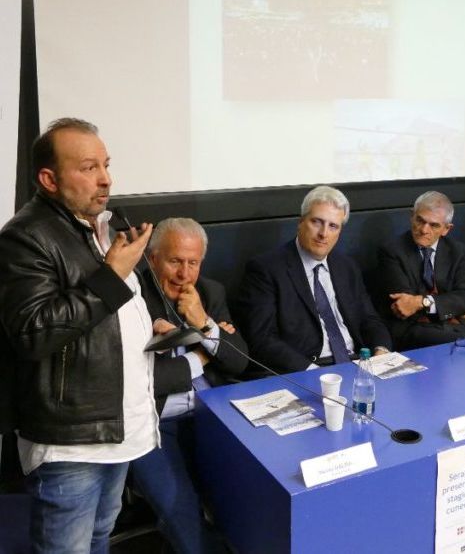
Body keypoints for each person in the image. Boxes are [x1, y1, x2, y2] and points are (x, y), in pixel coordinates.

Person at [0, 118, 159, 553]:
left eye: (106, 165)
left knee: (99, 537)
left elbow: (100, 315)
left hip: (116, 430)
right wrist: (112, 275)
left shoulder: (96, 224)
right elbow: (34, 332)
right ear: (49, 179)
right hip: (71, 442)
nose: (105, 179)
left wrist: (148, 325)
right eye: (89, 168)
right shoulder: (25, 237)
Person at [132, 218, 249, 554]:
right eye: (175, 261)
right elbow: (141, 379)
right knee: (180, 510)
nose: (185, 274)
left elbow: (239, 360)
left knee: (253, 488)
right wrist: (203, 355)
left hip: (213, 415)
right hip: (154, 422)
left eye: (193, 263)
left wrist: (203, 323)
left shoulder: (210, 292)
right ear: (152, 258)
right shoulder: (132, 298)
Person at [236, 185, 392, 373]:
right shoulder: (266, 269)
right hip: (305, 368)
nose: (323, 234)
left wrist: (381, 350)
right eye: (317, 222)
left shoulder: (346, 266)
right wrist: (313, 371)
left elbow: (369, 318)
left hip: (356, 363)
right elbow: (262, 339)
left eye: (333, 226)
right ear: (301, 222)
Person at [376, 191, 465, 349]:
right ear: (412, 216)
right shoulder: (392, 251)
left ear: (446, 229)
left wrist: (422, 302)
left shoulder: (457, 251)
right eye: (420, 220)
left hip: (455, 326)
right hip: (413, 329)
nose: (424, 230)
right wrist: (453, 305)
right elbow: (404, 306)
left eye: (434, 225)